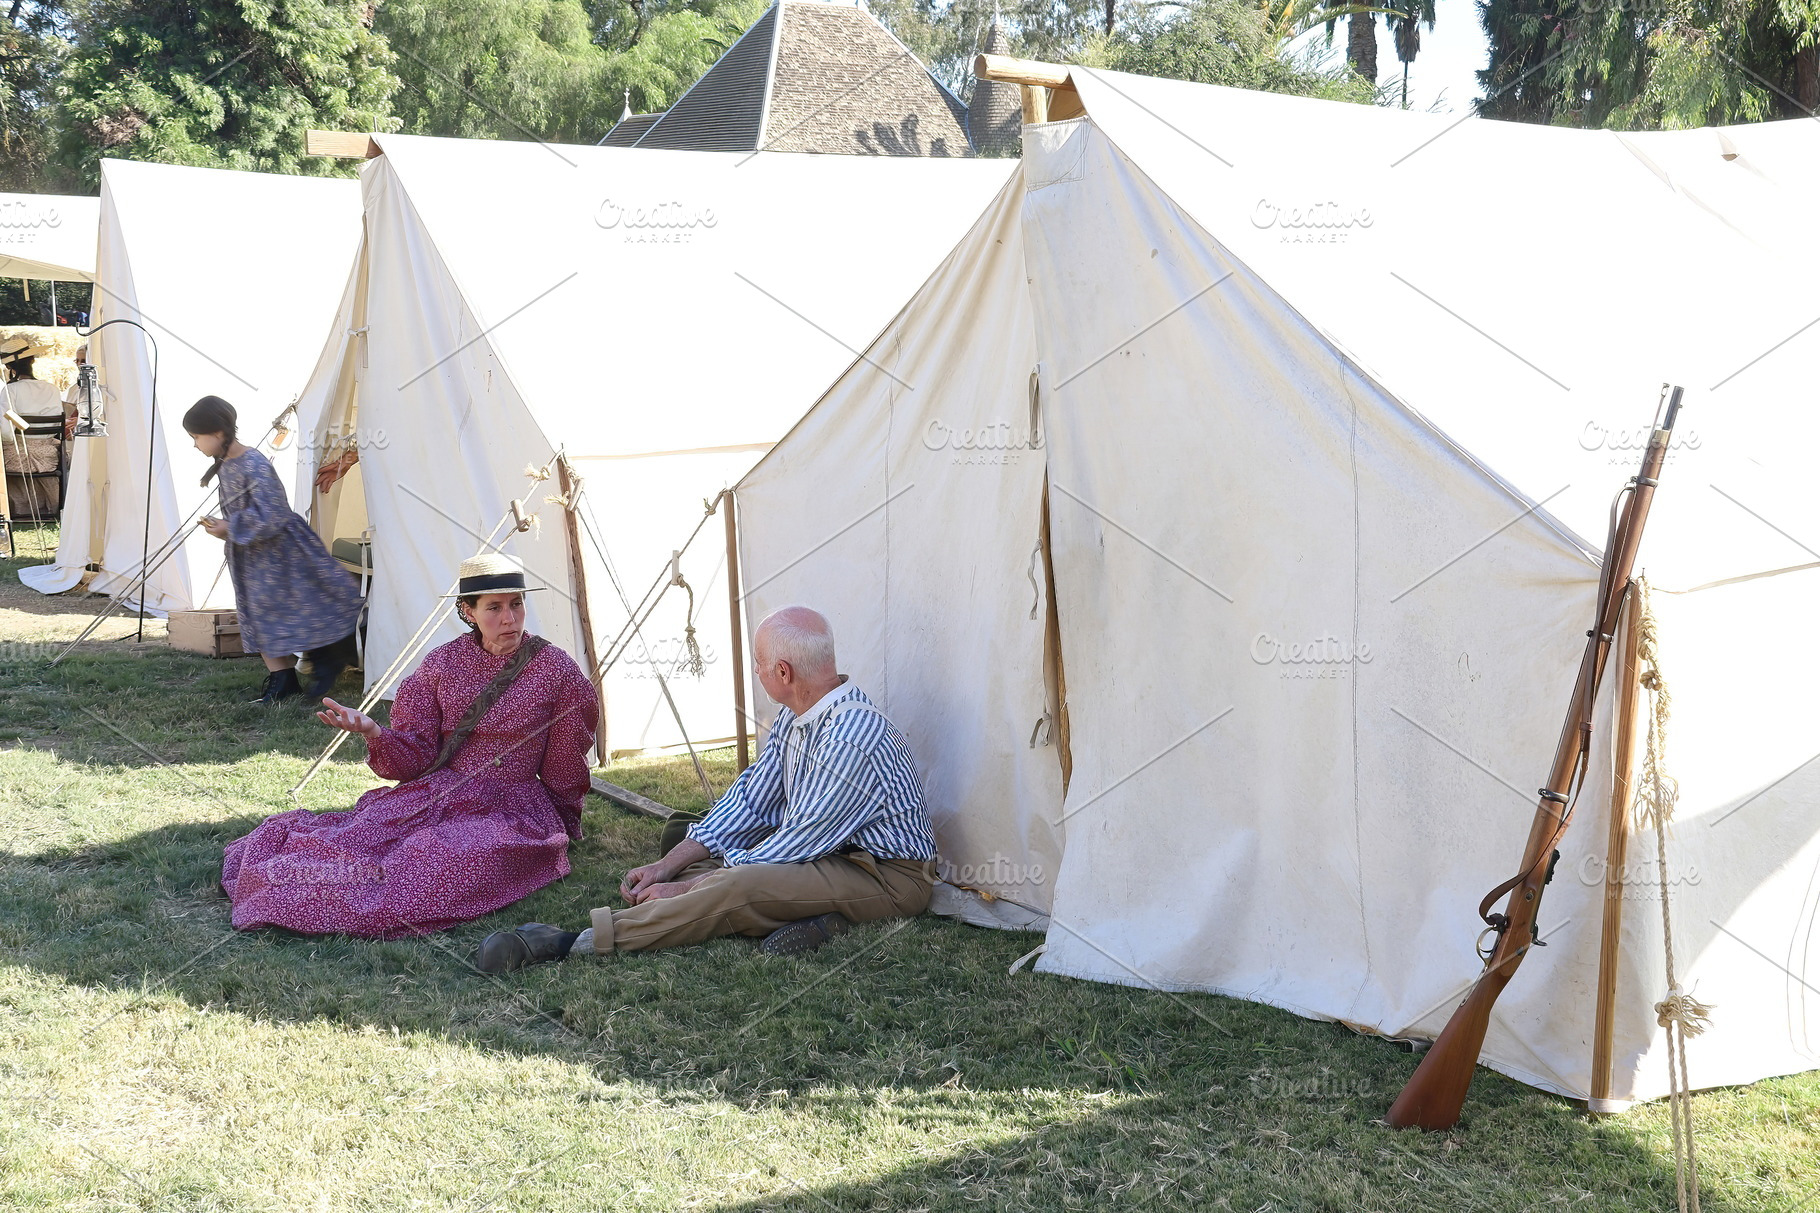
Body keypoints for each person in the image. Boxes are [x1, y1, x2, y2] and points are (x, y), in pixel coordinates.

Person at [476, 605, 936, 972]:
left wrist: (686, 889)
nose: (755, 671)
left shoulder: (849, 737)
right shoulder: (799, 717)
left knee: (740, 884)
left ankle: (573, 941)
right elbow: (753, 799)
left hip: (889, 877)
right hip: (834, 855)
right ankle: (813, 919)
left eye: (757, 663)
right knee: (685, 840)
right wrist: (667, 866)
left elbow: (797, 842)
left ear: (783, 673)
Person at [222, 553, 599, 937]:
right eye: (494, 607)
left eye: (516, 604)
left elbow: (566, 761)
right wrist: (374, 732)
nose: (509, 618)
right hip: (440, 792)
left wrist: (565, 820)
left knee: (439, 860)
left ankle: (373, 900)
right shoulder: (442, 665)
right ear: (467, 612)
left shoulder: (556, 670)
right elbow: (417, 756)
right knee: (358, 839)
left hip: (512, 808)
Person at [183, 395, 362, 704]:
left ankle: (329, 655)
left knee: (293, 610)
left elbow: (274, 512)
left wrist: (231, 527)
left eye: (196, 437)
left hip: (280, 555)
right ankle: (283, 681)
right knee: (259, 616)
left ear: (218, 433)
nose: (195, 444)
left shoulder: (253, 463)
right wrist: (226, 527)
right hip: (253, 557)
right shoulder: (226, 464)